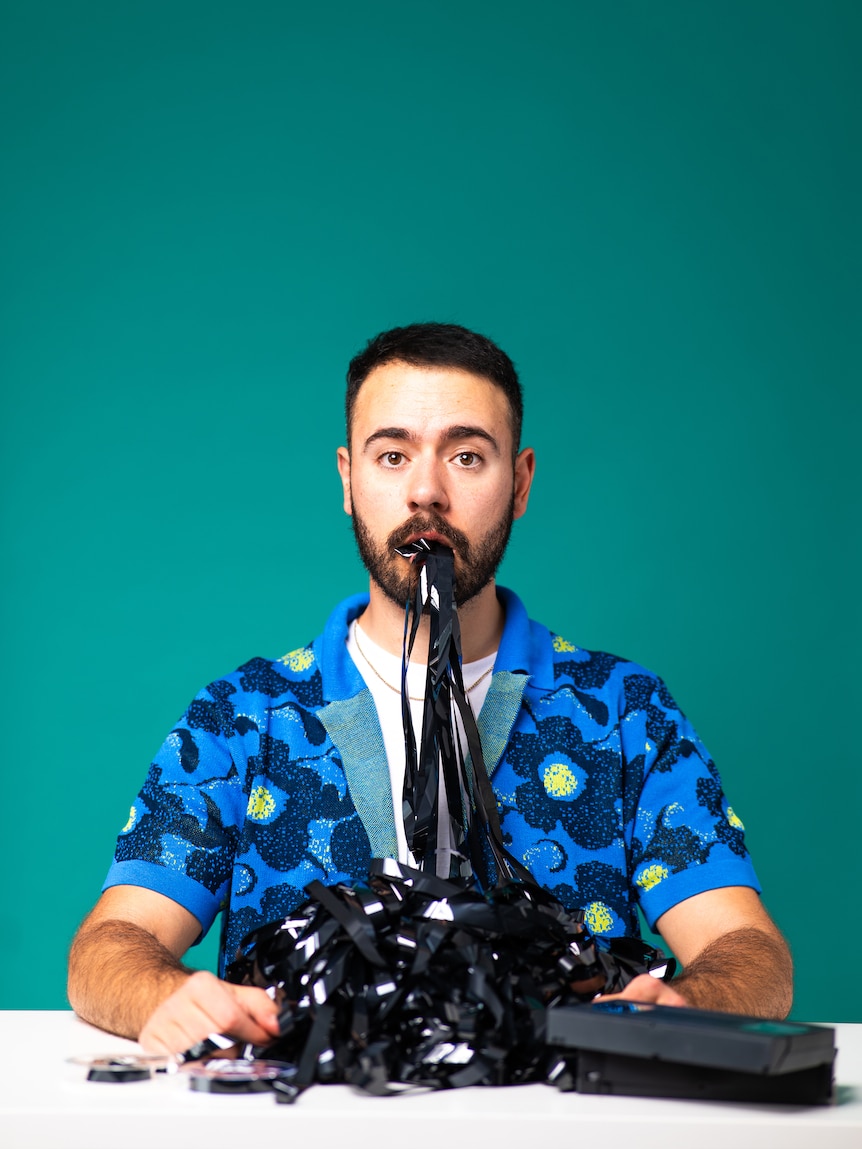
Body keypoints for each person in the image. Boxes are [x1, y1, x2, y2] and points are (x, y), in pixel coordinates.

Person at [67, 323, 793, 1054]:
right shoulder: (242, 718)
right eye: (392, 455)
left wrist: (687, 1003)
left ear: (521, 482)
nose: (427, 491)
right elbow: (109, 944)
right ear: (349, 480)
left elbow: (750, 953)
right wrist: (167, 994)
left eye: (468, 456)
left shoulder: (627, 712)